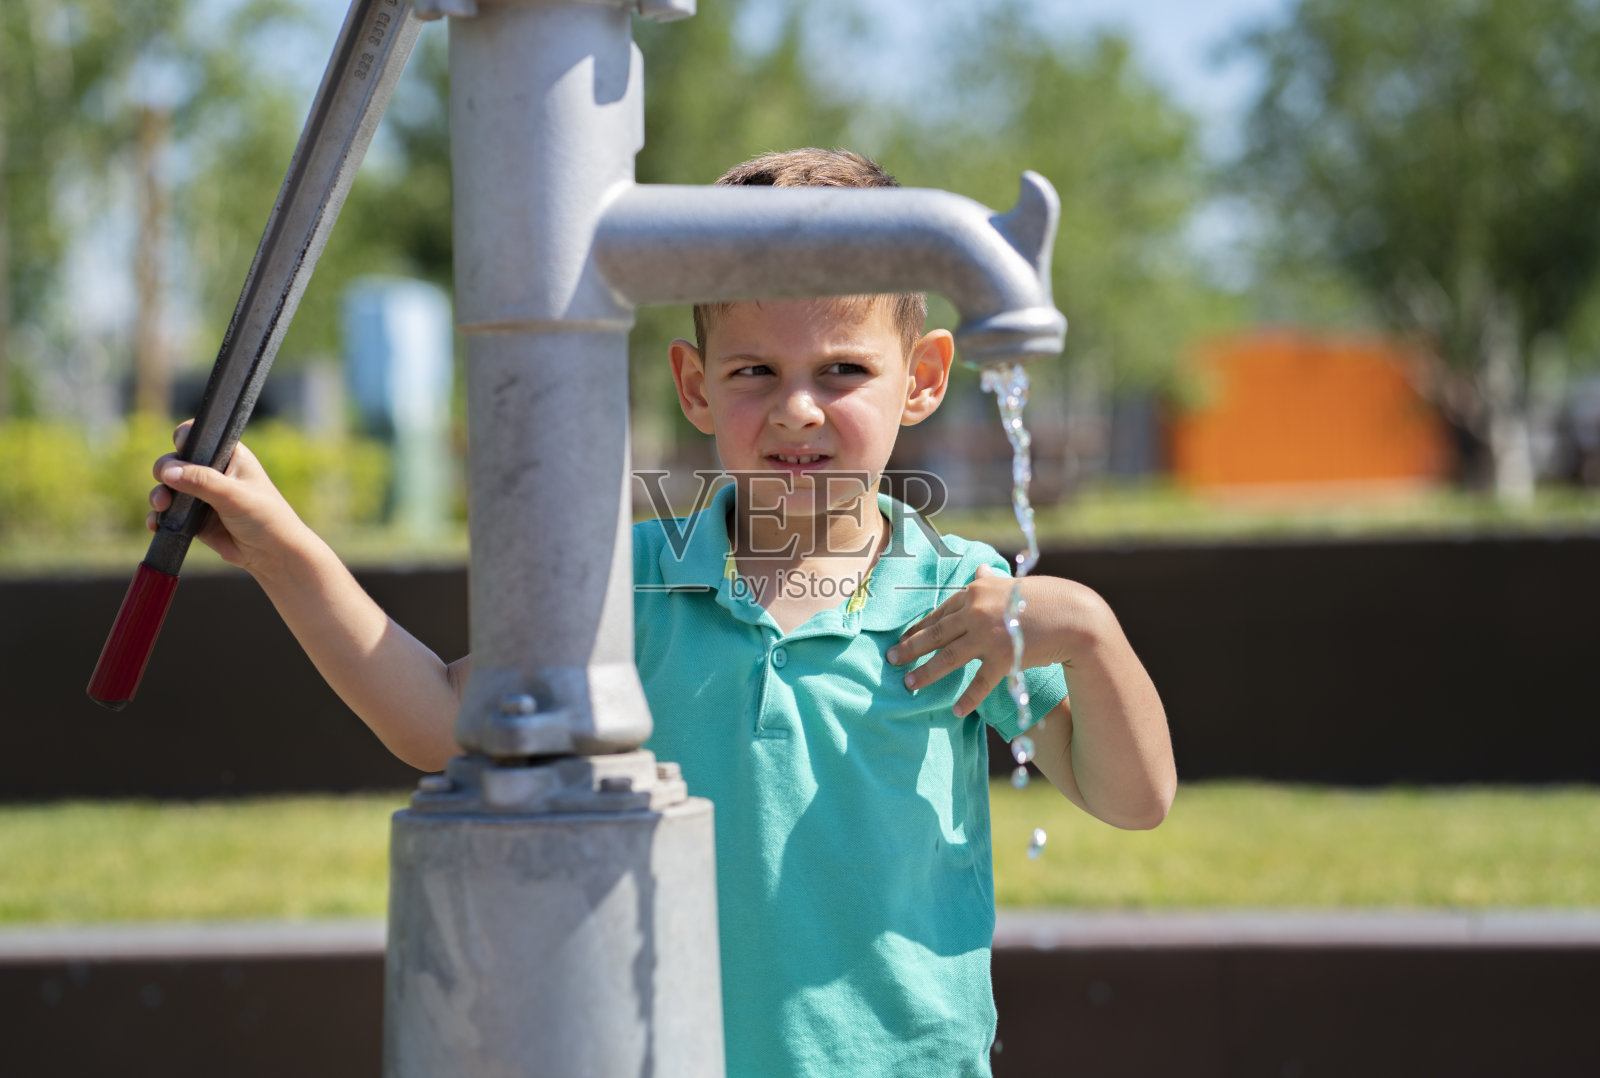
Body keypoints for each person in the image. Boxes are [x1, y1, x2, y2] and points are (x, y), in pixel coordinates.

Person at [148, 148, 1175, 1078]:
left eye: (843, 370)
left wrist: (1087, 628)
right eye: (754, 371)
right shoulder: (633, 581)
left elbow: (1132, 797)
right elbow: (431, 718)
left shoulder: (968, 599)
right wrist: (281, 545)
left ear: (926, 379)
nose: (797, 408)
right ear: (694, 384)